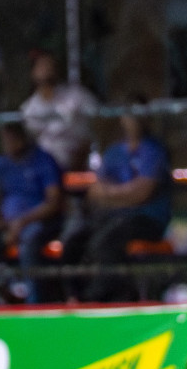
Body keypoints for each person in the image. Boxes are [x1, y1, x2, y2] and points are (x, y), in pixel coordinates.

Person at [66, 100, 172, 303]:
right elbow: (95, 192)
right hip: (113, 216)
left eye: (139, 115)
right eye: (130, 115)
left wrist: (113, 195)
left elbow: (143, 194)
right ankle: (74, 296)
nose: (134, 121)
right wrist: (124, 194)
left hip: (146, 219)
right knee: (75, 240)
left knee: (106, 241)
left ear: (147, 118)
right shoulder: (115, 152)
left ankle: (102, 298)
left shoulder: (154, 151)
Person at [0, 122, 65, 302]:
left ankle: (33, 301)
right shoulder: (0, 164)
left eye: (12, 138)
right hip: (7, 224)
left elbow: (53, 202)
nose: (8, 143)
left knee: (29, 241)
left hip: (39, 222)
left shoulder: (43, 160)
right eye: (4, 139)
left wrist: (21, 223)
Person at [20, 48, 97, 173]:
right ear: (33, 73)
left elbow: (100, 121)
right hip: (47, 168)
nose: (47, 68)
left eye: (49, 64)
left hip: (81, 160)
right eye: (41, 65)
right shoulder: (28, 109)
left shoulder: (77, 96)